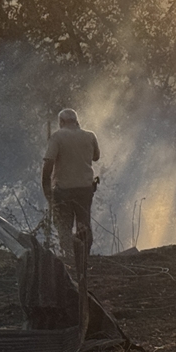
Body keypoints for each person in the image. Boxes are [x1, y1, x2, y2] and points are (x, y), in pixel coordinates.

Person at [42, 108, 100, 265]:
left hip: (63, 190)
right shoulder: (90, 136)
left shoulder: (57, 137)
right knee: (84, 223)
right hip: (85, 189)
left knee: (64, 226)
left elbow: (48, 164)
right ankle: (84, 259)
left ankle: (68, 259)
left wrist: (46, 187)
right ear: (76, 121)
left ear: (61, 122)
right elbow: (96, 156)